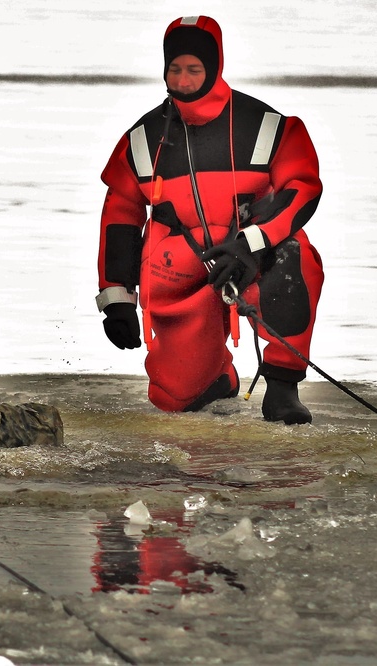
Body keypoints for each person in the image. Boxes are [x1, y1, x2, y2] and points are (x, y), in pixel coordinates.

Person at [95, 15, 324, 424]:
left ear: (215, 67)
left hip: (254, 250)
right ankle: (215, 380)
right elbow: (121, 213)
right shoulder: (142, 139)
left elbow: (303, 187)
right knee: (177, 400)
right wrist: (116, 299)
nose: (183, 79)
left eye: (194, 69)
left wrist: (251, 243)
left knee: (294, 254)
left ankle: (282, 385)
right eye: (175, 69)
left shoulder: (267, 126)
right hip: (177, 264)